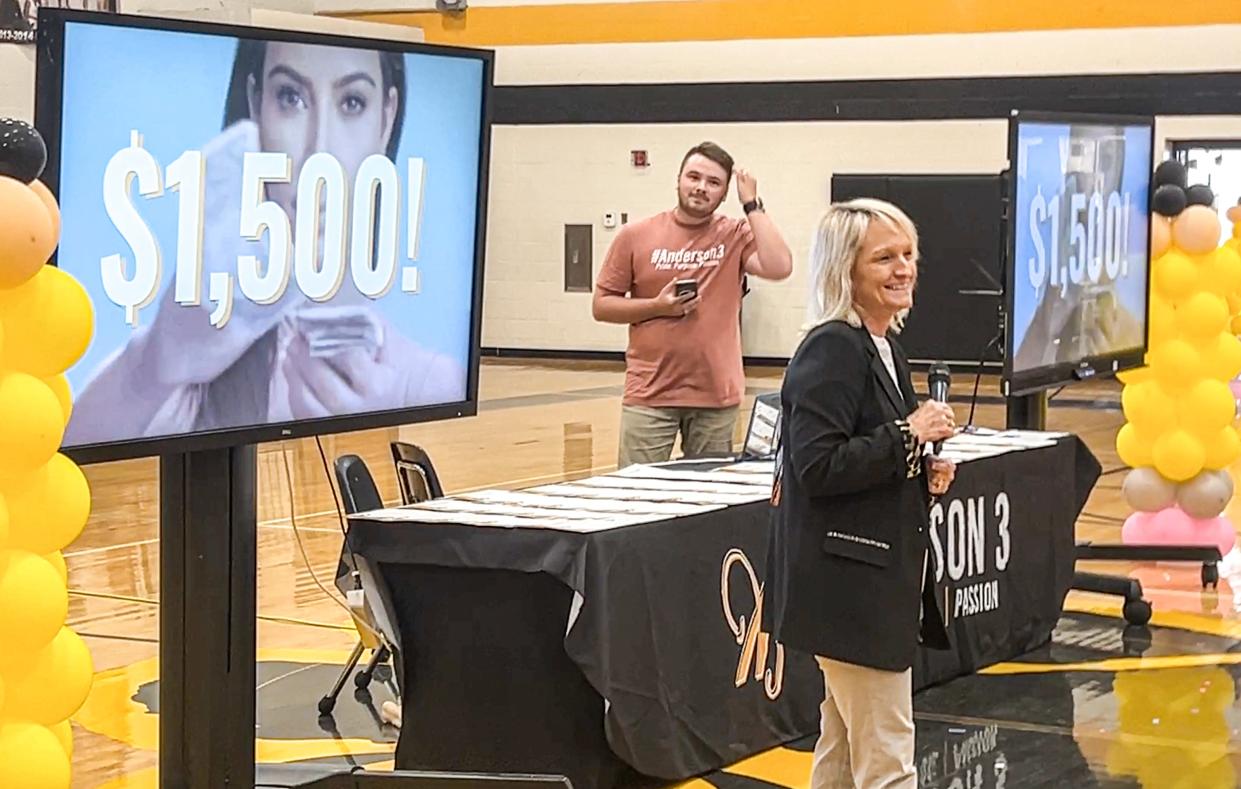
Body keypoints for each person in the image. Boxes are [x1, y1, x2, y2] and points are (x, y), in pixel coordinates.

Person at [66, 41, 465, 446]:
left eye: (352, 102)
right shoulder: (197, 358)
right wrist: (153, 363)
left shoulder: (427, 382)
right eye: (290, 97)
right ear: (256, 106)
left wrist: (381, 427)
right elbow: (63, 448)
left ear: (386, 118)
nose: (318, 150)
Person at [765, 198, 957, 789]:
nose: (903, 269)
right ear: (845, 269)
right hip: (849, 587)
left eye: (908, 255)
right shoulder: (833, 348)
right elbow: (817, 465)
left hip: (868, 581)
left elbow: (865, 454)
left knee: (845, 746)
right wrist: (908, 434)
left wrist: (919, 467)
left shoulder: (884, 346)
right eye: (884, 258)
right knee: (888, 759)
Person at [592, 141, 793, 467]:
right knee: (635, 496)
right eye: (694, 177)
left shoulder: (734, 234)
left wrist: (752, 204)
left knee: (708, 503)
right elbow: (602, 306)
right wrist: (657, 306)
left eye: (713, 183)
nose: (701, 188)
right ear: (678, 179)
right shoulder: (635, 235)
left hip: (716, 396)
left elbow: (779, 266)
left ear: (725, 193)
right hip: (650, 395)